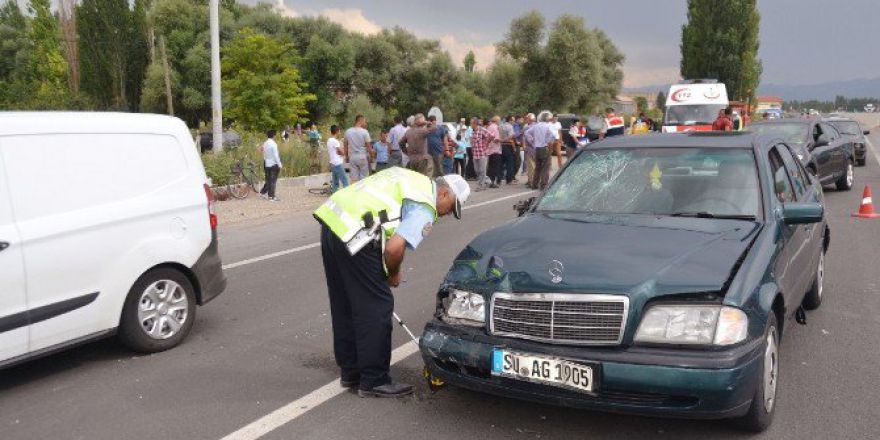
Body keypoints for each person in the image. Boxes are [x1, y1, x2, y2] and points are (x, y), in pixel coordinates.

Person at [314, 169, 471, 398]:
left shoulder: (409, 177)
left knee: (345, 302)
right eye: (452, 208)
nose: (447, 214)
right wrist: (393, 273)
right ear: (445, 193)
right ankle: (374, 380)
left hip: (334, 222)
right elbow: (394, 248)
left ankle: (351, 372)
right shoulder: (425, 205)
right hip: (359, 234)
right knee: (377, 307)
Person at [524, 111, 556, 190]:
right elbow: (553, 135)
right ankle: (543, 185)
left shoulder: (536, 126)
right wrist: (547, 141)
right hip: (544, 148)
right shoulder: (548, 126)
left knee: (537, 167)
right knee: (545, 167)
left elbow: (527, 133)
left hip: (536, 148)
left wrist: (532, 141)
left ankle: (534, 184)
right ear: (547, 118)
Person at [345, 115, 373, 181]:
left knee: (354, 179)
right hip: (362, 157)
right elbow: (369, 147)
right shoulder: (365, 132)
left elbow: (345, 145)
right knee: (364, 179)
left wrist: (346, 157)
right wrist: (371, 156)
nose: (365, 123)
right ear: (361, 121)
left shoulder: (348, 131)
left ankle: (355, 190)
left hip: (352, 157)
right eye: (364, 121)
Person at [470, 117, 494, 190]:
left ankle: (481, 185)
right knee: (477, 170)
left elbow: (491, 136)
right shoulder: (473, 131)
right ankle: (488, 181)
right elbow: (473, 142)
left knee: (482, 170)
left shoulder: (482, 130)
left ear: (474, 123)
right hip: (475, 154)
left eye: (471, 123)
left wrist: (486, 144)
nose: (470, 125)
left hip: (482, 153)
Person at [259, 129, 282, 201]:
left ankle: (263, 192)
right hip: (273, 164)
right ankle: (271, 196)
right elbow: (276, 155)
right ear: (274, 135)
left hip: (266, 163)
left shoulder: (265, 143)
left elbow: (261, 150)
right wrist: (280, 164)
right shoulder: (273, 144)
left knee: (268, 179)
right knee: (273, 181)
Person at [327, 125, 349, 193]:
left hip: (333, 163)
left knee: (335, 183)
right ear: (337, 131)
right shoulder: (335, 141)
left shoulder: (329, 140)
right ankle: (348, 195)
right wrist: (342, 151)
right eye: (339, 131)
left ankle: (334, 195)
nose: (340, 133)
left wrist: (340, 152)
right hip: (338, 163)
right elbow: (342, 152)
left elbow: (338, 151)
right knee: (345, 181)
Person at [500, 115, 518, 184]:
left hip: (501, 145)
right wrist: (513, 147)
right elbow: (511, 137)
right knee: (510, 163)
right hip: (508, 145)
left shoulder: (501, 126)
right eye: (513, 120)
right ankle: (509, 179)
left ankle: (499, 178)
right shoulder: (510, 127)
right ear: (510, 120)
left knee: (501, 163)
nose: (514, 122)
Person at [485, 116, 502, 188]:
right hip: (495, 150)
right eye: (499, 121)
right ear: (497, 121)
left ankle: (489, 181)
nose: (500, 122)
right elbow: (496, 139)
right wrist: (502, 140)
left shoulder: (489, 127)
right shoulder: (495, 127)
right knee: (495, 167)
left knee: (490, 167)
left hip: (489, 149)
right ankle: (493, 182)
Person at [521, 113, 536, 183]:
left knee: (531, 165)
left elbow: (523, 137)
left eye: (527, 118)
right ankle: (531, 179)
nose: (526, 120)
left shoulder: (527, 127)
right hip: (536, 148)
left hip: (530, 148)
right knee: (533, 165)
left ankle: (532, 180)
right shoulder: (537, 126)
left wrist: (524, 145)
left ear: (530, 119)